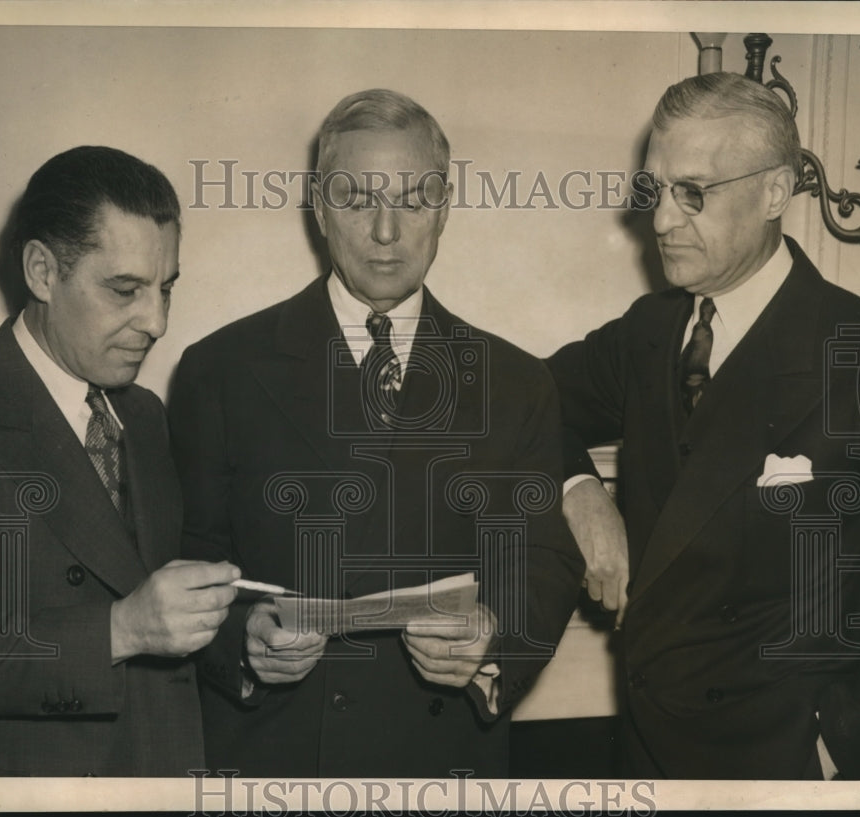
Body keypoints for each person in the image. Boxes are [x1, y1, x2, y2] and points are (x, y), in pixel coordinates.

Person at [168, 88, 590, 777]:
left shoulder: (516, 382)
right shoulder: (221, 369)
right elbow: (187, 555)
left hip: (441, 757)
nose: (387, 231)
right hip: (276, 755)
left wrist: (492, 635)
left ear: (445, 208)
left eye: (415, 200)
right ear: (319, 208)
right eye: (359, 198)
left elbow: (541, 561)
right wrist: (243, 639)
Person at [547, 72, 860, 779]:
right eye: (655, 191)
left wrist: (852, 760)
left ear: (774, 192)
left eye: (692, 192)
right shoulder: (649, 330)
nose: (662, 220)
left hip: (786, 763)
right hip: (645, 748)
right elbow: (522, 402)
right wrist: (578, 488)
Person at [0, 146, 239, 776]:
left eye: (165, 290)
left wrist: (242, 642)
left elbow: (163, 618)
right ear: (43, 272)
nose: (155, 322)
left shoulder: (146, 416)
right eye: (125, 290)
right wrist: (119, 630)